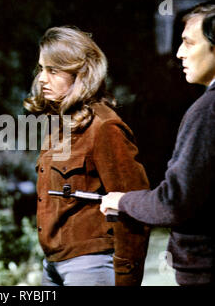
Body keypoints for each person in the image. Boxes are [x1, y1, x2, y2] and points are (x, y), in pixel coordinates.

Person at [24, 26, 150, 286]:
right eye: (41, 69)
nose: (42, 79)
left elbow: (134, 206)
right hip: (54, 264)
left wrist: (127, 278)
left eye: (53, 71)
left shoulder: (104, 126)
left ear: (80, 73)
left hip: (90, 265)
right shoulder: (62, 124)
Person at [100, 1, 215, 286]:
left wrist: (123, 201)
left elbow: (173, 202)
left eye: (188, 43)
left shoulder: (207, 111)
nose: (179, 53)